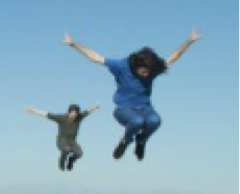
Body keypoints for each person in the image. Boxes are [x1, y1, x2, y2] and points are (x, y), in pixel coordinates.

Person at [65, 29, 200, 161]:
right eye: (144, 71)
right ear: (136, 66)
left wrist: (189, 41)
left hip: (146, 108)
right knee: (137, 121)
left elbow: (173, 56)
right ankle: (125, 141)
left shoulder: (152, 69)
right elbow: (95, 57)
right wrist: (73, 44)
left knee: (155, 121)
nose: (147, 74)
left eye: (149, 71)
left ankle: (141, 141)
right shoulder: (121, 66)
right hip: (124, 109)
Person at [25, 104, 99, 171]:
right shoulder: (62, 118)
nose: (74, 115)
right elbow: (47, 114)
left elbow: (87, 111)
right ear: (68, 112)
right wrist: (33, 110)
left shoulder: (79, 117)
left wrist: (95, 107)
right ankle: (61, 161)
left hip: (72, 141)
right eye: (72, 113)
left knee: (80, 154)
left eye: (76, 113)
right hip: (61, 141)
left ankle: (70, 161)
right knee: (67, 150)